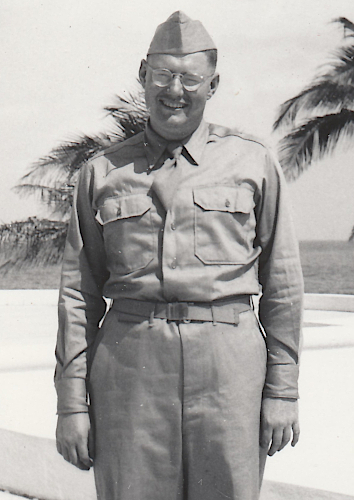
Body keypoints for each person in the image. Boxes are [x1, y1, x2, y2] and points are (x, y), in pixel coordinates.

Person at [55, 11, 303, 500]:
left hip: (229, 374)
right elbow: (77, 296)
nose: (176, 89)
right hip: (130, 373)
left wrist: (283, 391)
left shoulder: (253, 161)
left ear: (213, 84)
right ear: (143, 75)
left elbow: (285, 285)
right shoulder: (102, 172)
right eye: (164, 74)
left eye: (191, 77)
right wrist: (71, 405)